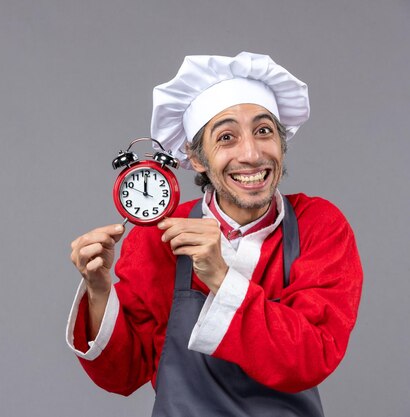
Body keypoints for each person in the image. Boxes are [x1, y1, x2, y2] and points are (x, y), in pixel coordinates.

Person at [66, 52, 362, 416]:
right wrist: (98, 289)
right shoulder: (158, 236)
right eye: (226, 137)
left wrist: (221, 276)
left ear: (282, 143)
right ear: (197, 157)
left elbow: (312, 356)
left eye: (264, 131)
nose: (251, 154)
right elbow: (124, 373)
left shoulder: (318, 225)